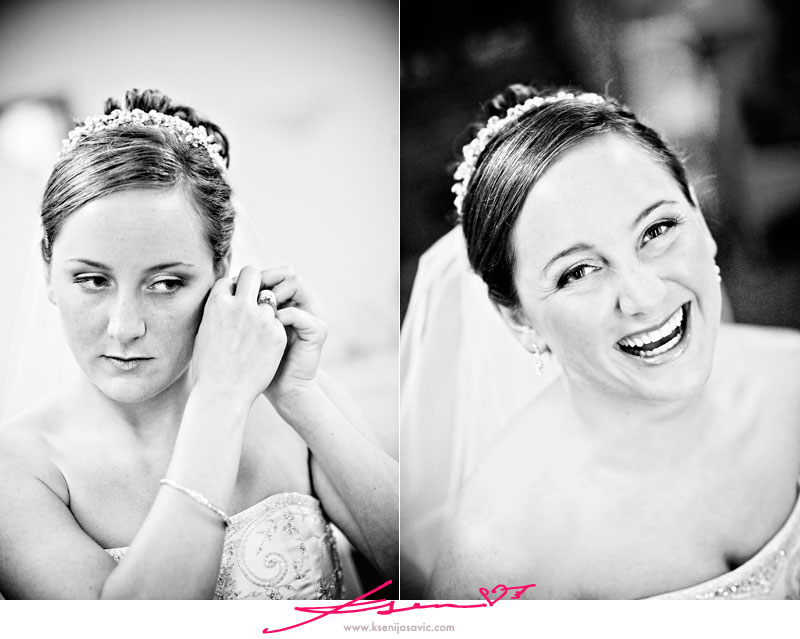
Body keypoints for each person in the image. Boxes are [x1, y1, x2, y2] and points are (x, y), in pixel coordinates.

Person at [401, 84, 800, 599]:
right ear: (518, 319)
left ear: (700, 220)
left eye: (657, 230)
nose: (644, 296)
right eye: (578, 271)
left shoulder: (792, 377)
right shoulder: (498, 560)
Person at [0, 88, 398, 600]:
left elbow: (426, 579)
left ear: (221, 268)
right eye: (92, 280)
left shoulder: (295, 412)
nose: (124, 327)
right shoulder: (18, 470)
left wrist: (299, 397)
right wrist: (219, 402)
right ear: (47, 271)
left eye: (166, 283)